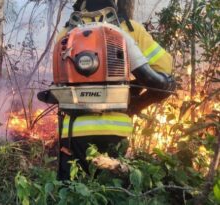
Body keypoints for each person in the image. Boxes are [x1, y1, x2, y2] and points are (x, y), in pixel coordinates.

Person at [53, 0, 176, 180]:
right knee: (112, 190)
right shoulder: (131, 30)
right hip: (116, 133)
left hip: (74, 134)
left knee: (73, 190)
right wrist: (137, 99)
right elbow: (164, 70)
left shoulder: (66, 34)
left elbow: (59, 82)